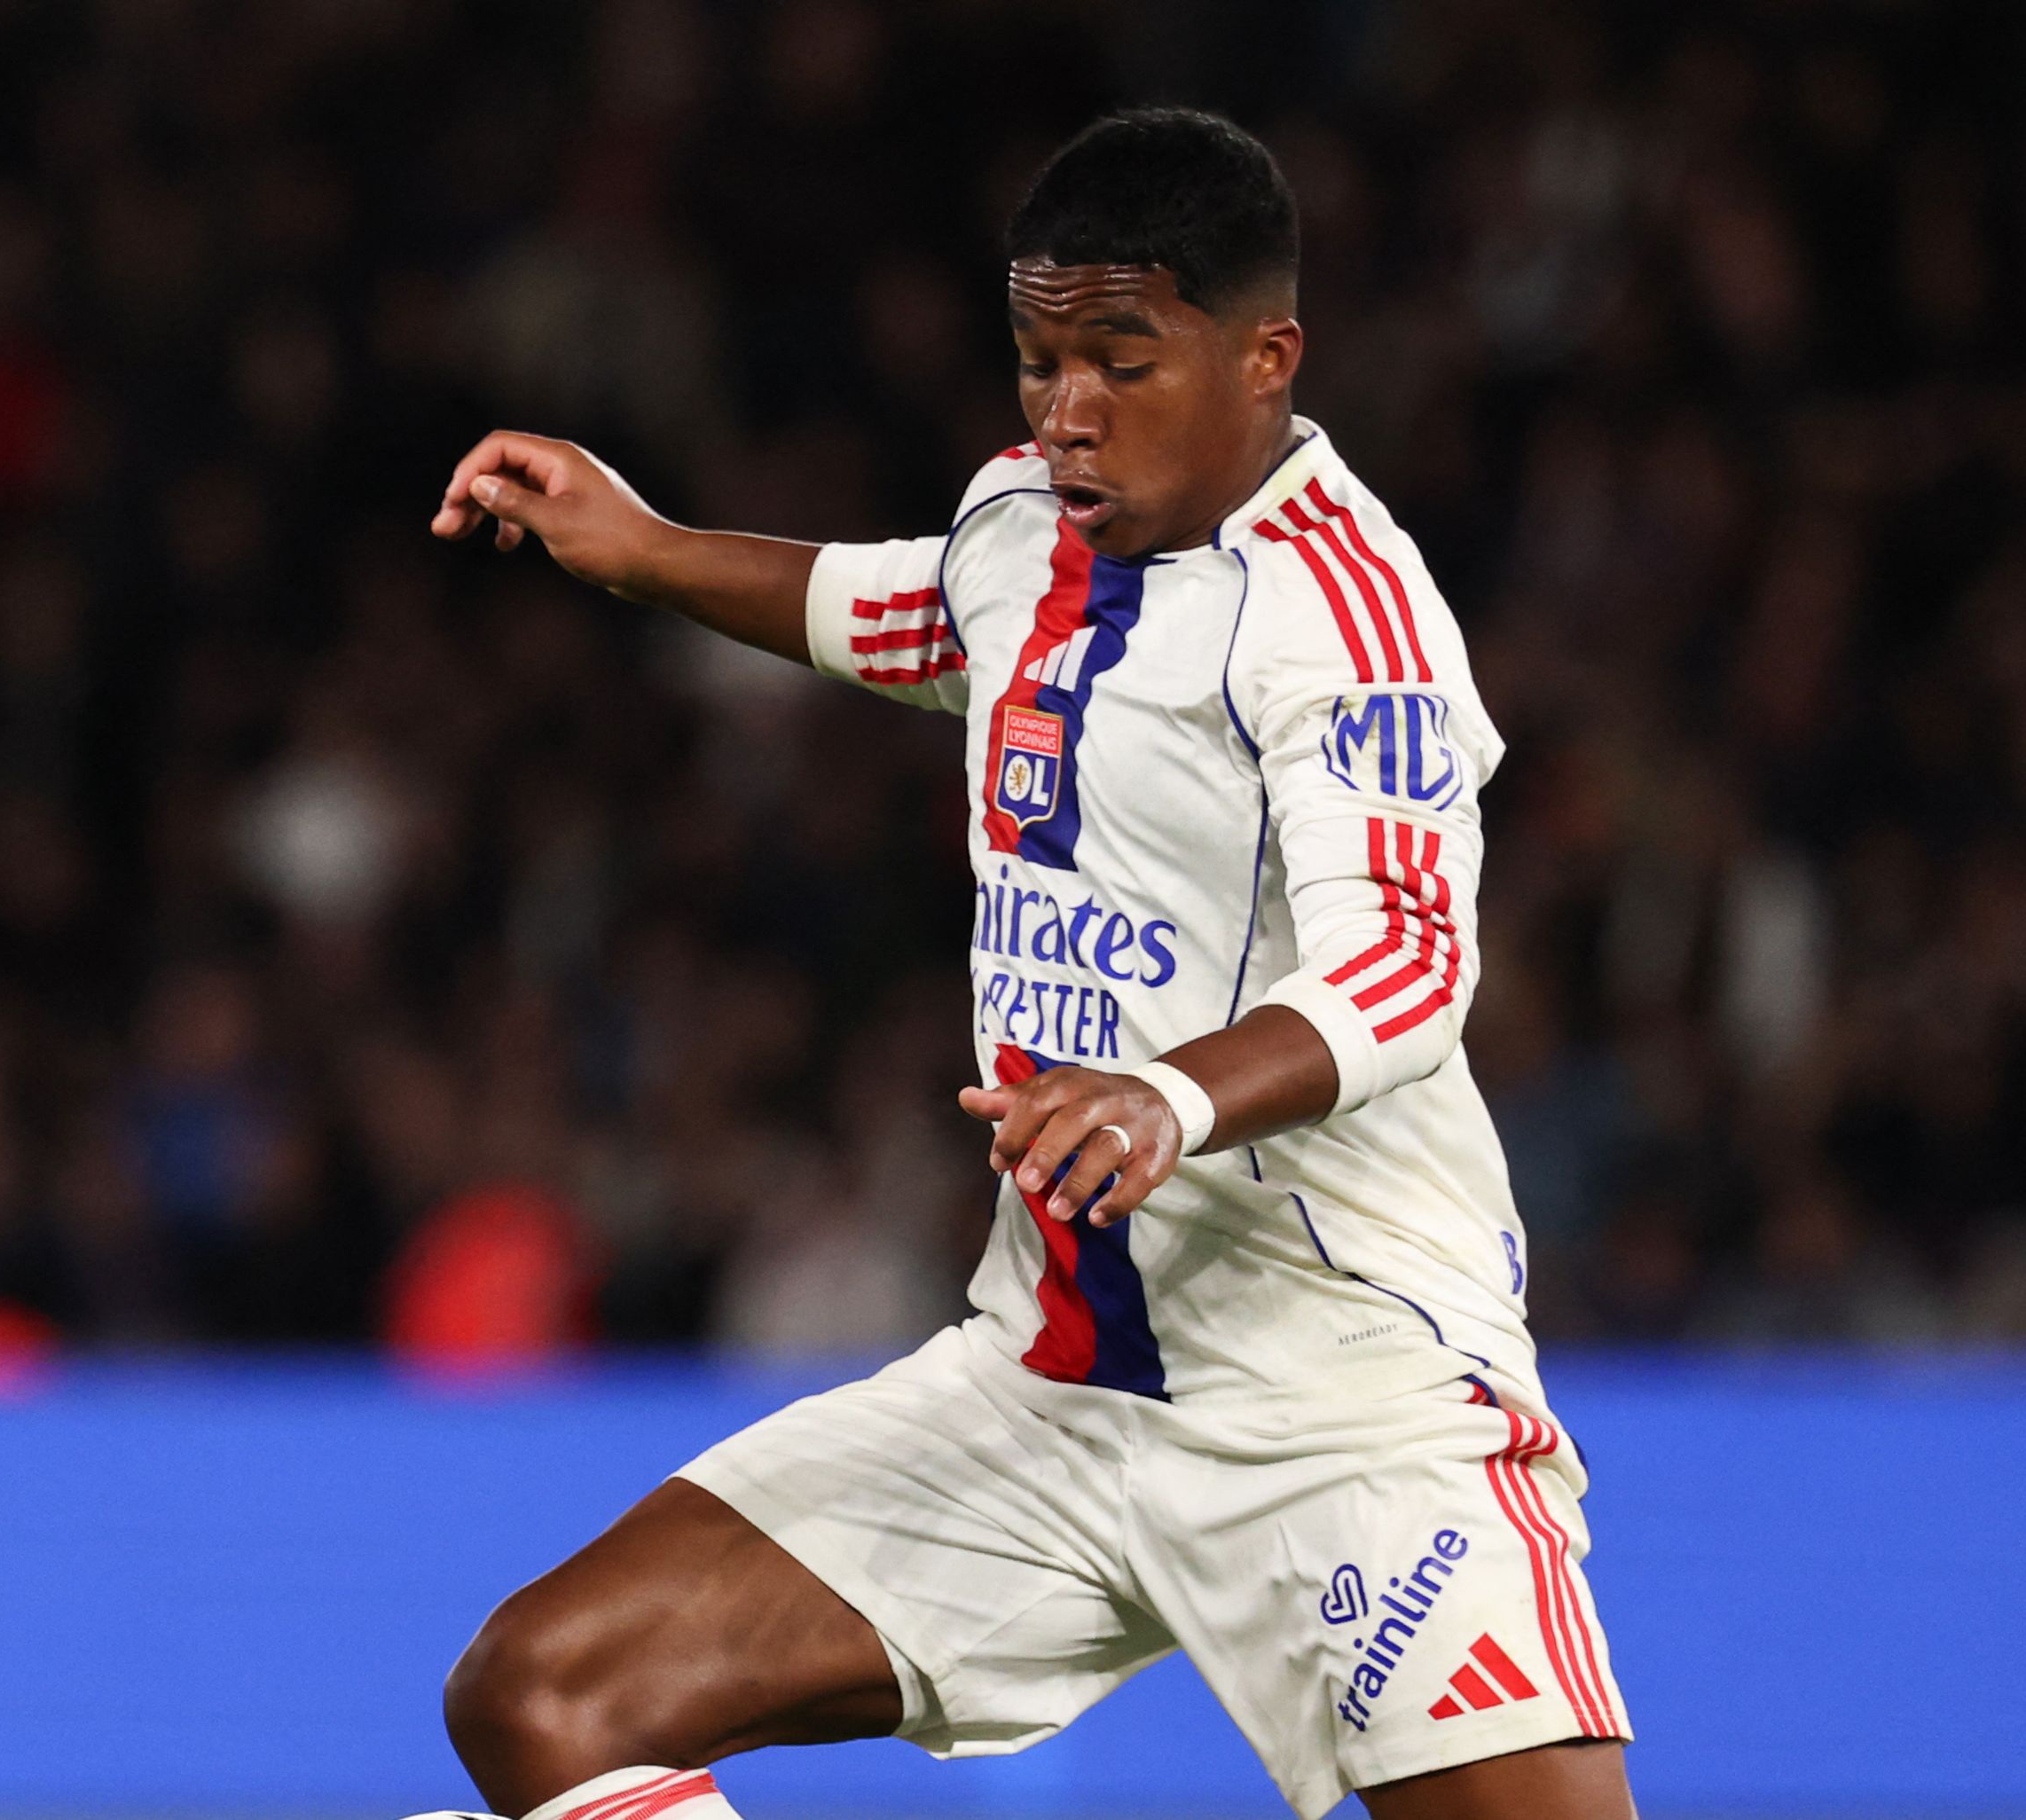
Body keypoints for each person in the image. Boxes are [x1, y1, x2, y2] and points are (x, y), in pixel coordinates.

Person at [420, 109, 1631, 1820]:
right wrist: (654, 549)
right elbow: (917, 615)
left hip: (1340, 1404)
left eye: (1121, 363)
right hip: (1049, 1388)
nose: (1067, 410)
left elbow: (1412, 964)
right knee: (546, 1692)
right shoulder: (1023, 523)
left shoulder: (1348, 622)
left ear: (1267, 358)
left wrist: (1165, 1098)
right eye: (1040, 359)